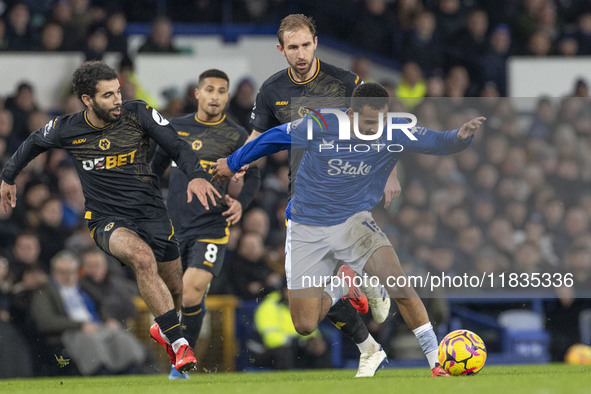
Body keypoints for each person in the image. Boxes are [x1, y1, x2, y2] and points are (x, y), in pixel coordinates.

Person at [213, 82, 486, 377]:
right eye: (369, 122)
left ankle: (436, 361)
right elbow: (273, 138)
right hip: (306, 226)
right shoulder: (321, 123)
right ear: (352, 113)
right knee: (304, 324)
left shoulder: (394, 129)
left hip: (353, 221)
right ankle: (344, 285)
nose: (374, 128)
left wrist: (460, 137)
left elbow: (437, 141)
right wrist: (232, 162)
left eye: (380, 120)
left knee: (400, 286)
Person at [0, 61, 221, 375]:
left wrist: (196, 175)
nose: (118, 99)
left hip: (151, 213)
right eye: (108, 95)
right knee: (143, 259)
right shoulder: (67, 127)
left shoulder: (138, 113)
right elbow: (33, 143)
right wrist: (8, 178)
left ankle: (165, 328)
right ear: (87, 100)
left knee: (175, 288)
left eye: (118, 91)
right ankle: (178, 343)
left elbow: (176, 146)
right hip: (106, 219)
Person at [247, 14, 393, 377]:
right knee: (305, 320)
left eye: (306, 45)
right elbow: (257, 138)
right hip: (303, 199)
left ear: (316, 43)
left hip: (346, 191)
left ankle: (370, 300)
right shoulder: (271, 91)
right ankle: (367, 339)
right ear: (281, 50)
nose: (300, 53)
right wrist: (236, 165)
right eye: (292, 47)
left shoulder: (346, 82)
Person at [151, 69, 261, 379]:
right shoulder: (175, 129)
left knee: (190, 294)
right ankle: (178, 351)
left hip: (212, 226)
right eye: (209, 89)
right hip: (173, 226)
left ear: (227, 96)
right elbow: (154, 170)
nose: (215, 96)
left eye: (221, 91)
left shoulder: (237, 136)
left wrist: (242, 201)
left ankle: (181, 366)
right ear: (197, 94)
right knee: (174, 296)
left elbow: (253, 175)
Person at [30, 251, 146, 375]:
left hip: (97, 326)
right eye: (62, 272)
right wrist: (80, 325)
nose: (67, 276)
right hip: (70, 332)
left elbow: (101, 305)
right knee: (91, 342)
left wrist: (108, 319)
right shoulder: (45, 292)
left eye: (71, 272)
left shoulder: (84, 287)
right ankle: (102, 373)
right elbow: (46, 321)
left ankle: (131, 371)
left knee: (121, 338)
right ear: (54, 272)